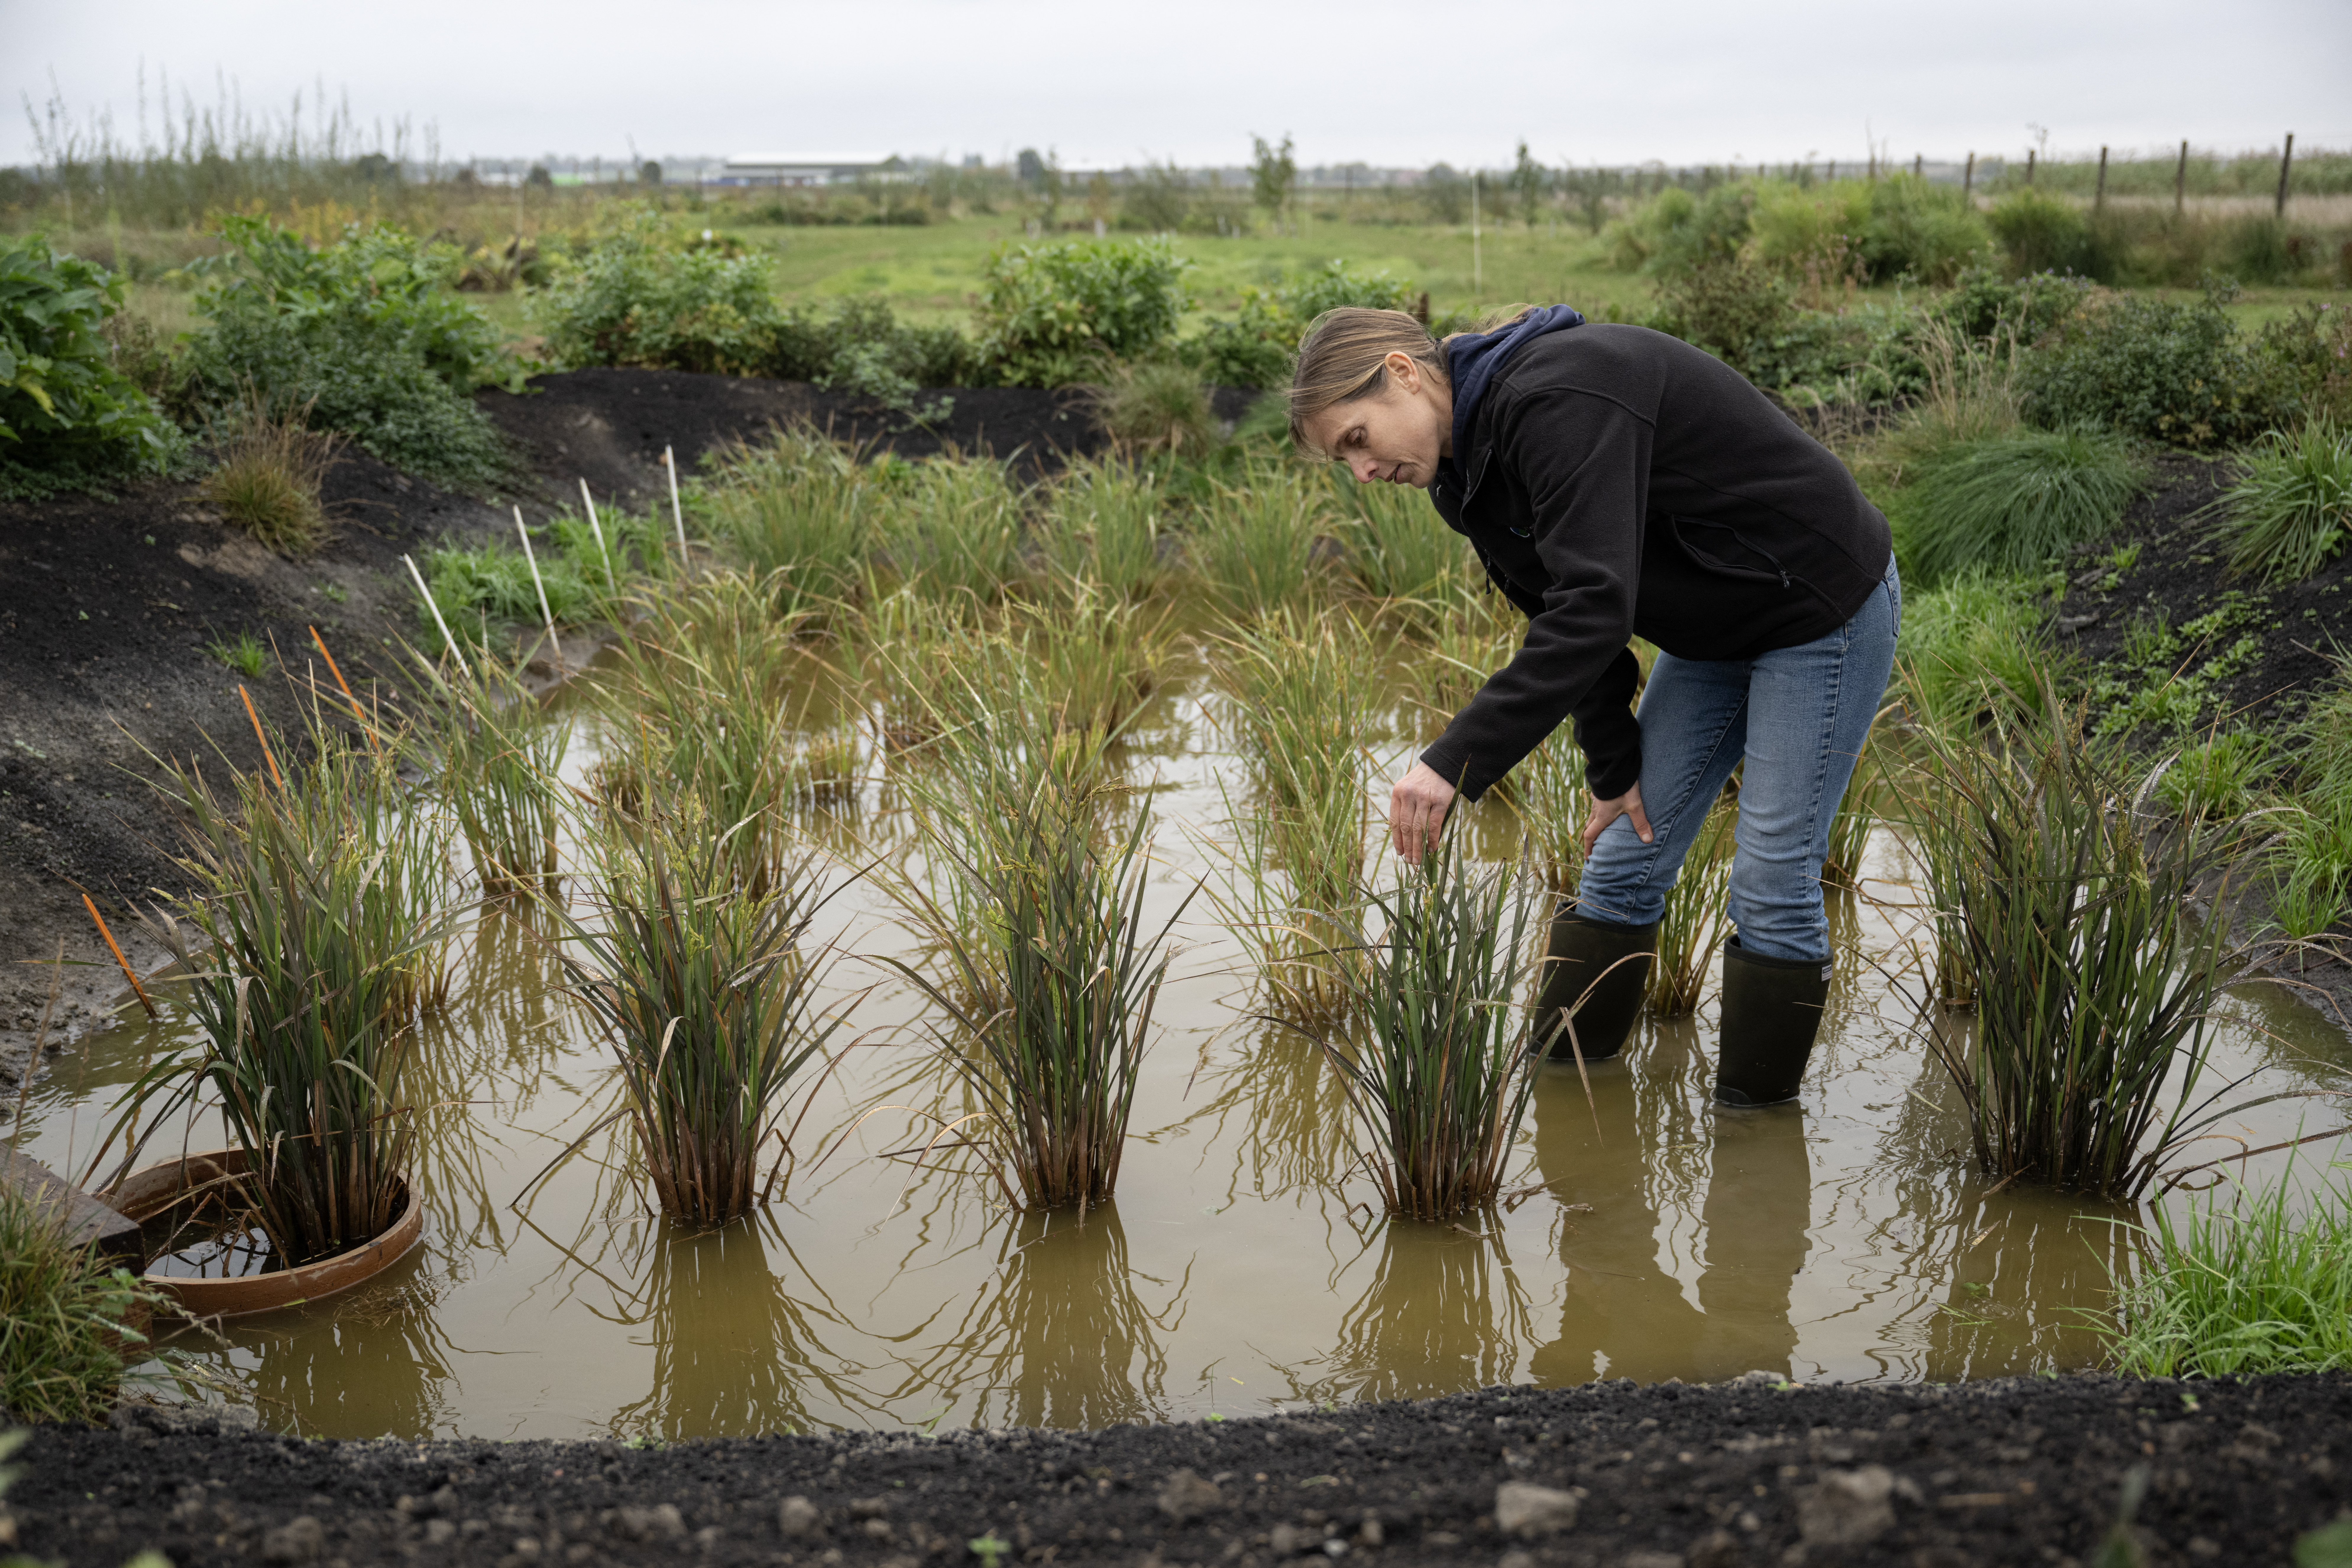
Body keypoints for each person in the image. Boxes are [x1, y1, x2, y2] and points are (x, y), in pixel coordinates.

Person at [1288, 305, 1897, 1107]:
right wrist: (1613, 769)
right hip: (1710, 631)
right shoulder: (1461, 482)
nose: (1363, 473)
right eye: (1344, 461)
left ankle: (1752, 1144)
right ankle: (1565, 1105)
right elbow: (1565, 618)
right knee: (1622, 859)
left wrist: (1450, 764)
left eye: (1358, 439)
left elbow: (1593, 609)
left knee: (1770, 878)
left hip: (1817, 607)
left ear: (1404, 373)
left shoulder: (1559, 397)